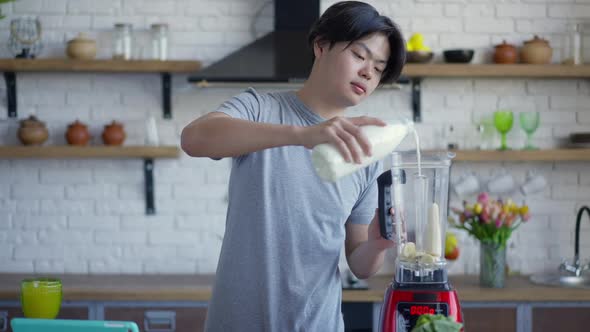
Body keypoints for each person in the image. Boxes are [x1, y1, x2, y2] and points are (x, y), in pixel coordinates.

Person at [181, 1, 406, 330]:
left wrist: (379, 243)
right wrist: (303, 134)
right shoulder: (260, 107)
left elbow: (361, 264)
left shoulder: (364, 151)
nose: (368, 72)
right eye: (359, 55)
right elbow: (194, 138)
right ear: (321, 46)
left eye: (379, 67)